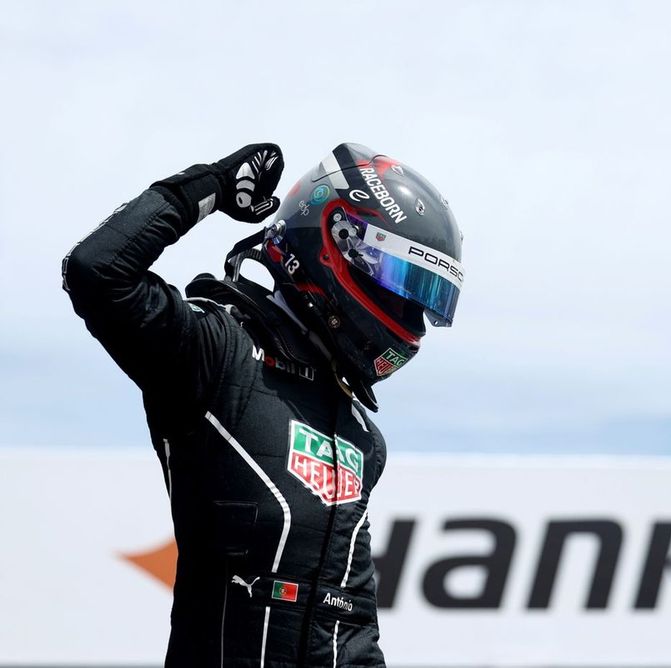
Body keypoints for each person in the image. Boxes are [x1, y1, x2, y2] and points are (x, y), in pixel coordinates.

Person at [62, 142, 465, 667]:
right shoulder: (216, 353)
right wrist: (205, 189)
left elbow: (353, 619)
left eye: (423, 295)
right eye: (404, 282)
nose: (409, 312)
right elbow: (98, 272)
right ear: (336, 242)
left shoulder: (362, 436)